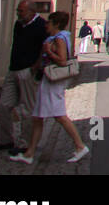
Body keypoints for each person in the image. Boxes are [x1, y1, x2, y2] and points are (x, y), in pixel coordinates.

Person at [9, 11, 89, 164]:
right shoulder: (56, 37)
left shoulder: (59, 39)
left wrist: (48, 52)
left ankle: (80, 146)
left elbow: (63, 61)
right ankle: (29, 154)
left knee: (59, 116)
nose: (46, 25)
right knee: (38, 117)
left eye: (49, 23)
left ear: (56, 24)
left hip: (54, 81)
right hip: (48, 79)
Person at [0, 1, 48, 153]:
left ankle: (25, 144)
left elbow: (45, 48)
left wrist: (36, 66)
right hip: (13, 69)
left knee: (27, 109)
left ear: (32, 11)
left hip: (28, 71)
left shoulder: (41, 25)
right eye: (18, 11)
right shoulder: (19, 24)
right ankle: (5, 140)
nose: (18, 14)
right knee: (4, 105)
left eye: (21, 11)